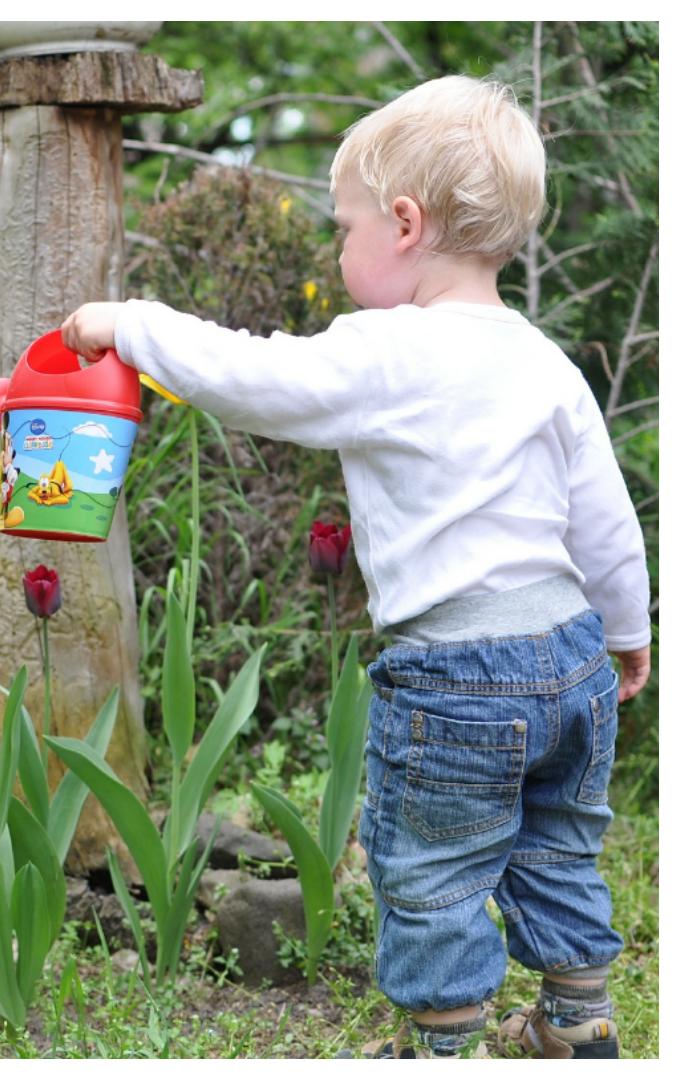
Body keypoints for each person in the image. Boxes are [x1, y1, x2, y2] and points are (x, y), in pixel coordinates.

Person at [61, 74, 652, 1059]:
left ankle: (439, 1043)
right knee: (557, 847)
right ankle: (576, 1015)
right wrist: (628, 631)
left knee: (432, 867)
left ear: (406, 225)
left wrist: (129, 327)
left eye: (345, 228)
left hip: (458, 675)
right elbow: (606, 522)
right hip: (571, 655)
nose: (339, 250)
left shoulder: (388, 351)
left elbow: (253, 381)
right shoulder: (545, 362)